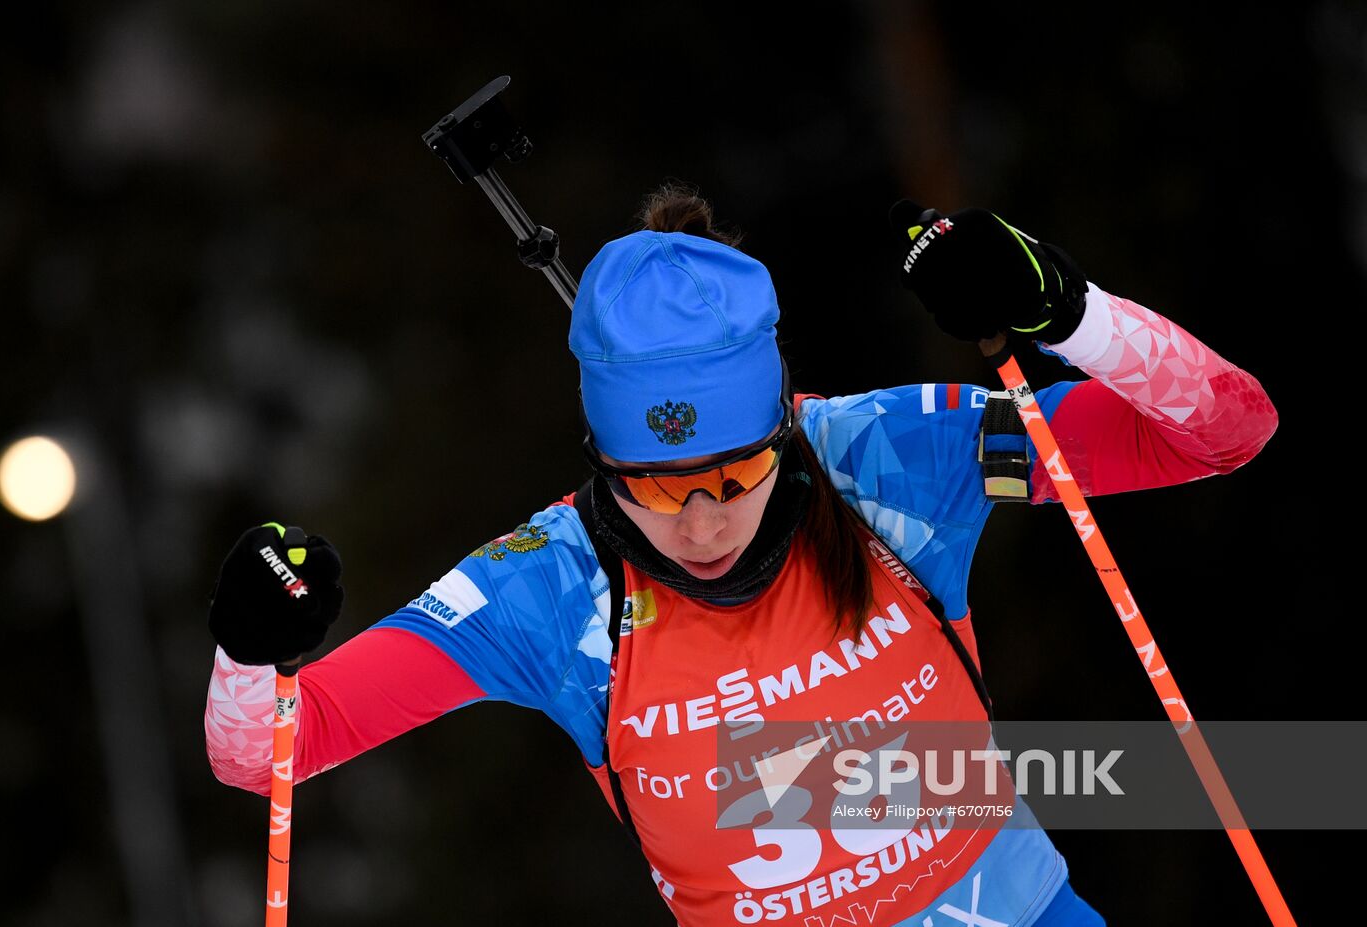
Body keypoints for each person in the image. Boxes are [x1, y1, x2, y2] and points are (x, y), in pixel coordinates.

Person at [204, 183, 1277, 926]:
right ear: (599, 464)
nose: (704, 524)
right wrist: (250, 647)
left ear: (783, 427)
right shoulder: (546, 587)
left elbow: (1222, 430)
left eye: (733, 478)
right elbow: (271, 754)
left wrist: (1068, 311)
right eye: (658, 490)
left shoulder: (883, 461)